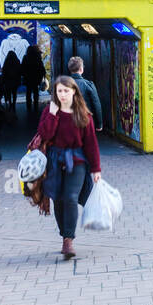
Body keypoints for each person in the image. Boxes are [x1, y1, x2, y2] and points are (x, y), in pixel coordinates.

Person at [34, 75, 102, 259]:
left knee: (71, 197)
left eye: (66, 91)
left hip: (77, 161)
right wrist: (53, 114)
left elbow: (91, 144)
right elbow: (44, 133)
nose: (62, 94)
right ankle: (64, 232)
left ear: (74, 92)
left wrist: (96, 169)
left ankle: (68, 240)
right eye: (59, 91)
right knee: (57, 198)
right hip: (54, 159)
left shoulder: (83, 114)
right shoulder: (49, 111)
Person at [67, 56, 104, 132]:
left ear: (70, 69)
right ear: (81, 69)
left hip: (68, 121)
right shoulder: (88, 85)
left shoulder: (63, 85)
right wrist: (99, 124)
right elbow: (96, 105)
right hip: (85, 121)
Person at [21, 44, 46, 121]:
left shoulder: (25, 57)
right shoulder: (37, 57)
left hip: (28, 78)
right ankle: (35, 106)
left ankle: (29, 106)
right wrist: (42, 76)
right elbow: (41, 68)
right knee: (35, 92)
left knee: (28, 92)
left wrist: (24, 75)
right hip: (36, 78)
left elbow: (22, 68)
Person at [0, 50, 22, 120]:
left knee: (8, 92)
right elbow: (19, 71)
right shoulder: (17, 61)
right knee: (14, 92)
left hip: (8, 81)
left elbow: (4, 72)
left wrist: (3, 80)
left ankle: (10, 103)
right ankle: (13, 103)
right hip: (15, 80)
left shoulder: (6, 62)